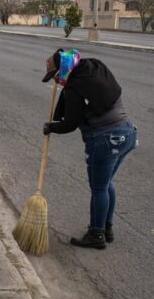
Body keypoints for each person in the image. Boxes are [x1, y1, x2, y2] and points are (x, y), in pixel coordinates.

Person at [41, 48, 137, 249]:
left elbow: (70, 124)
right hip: (127, 132)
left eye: (56, 75)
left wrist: (51, 127)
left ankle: (96, 235)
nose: (55, 80)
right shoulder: (93, 67)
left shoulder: (75, 87)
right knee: (107, 183)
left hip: (105, 139)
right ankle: (106, 228)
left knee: (99, 188)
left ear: (64, 69)